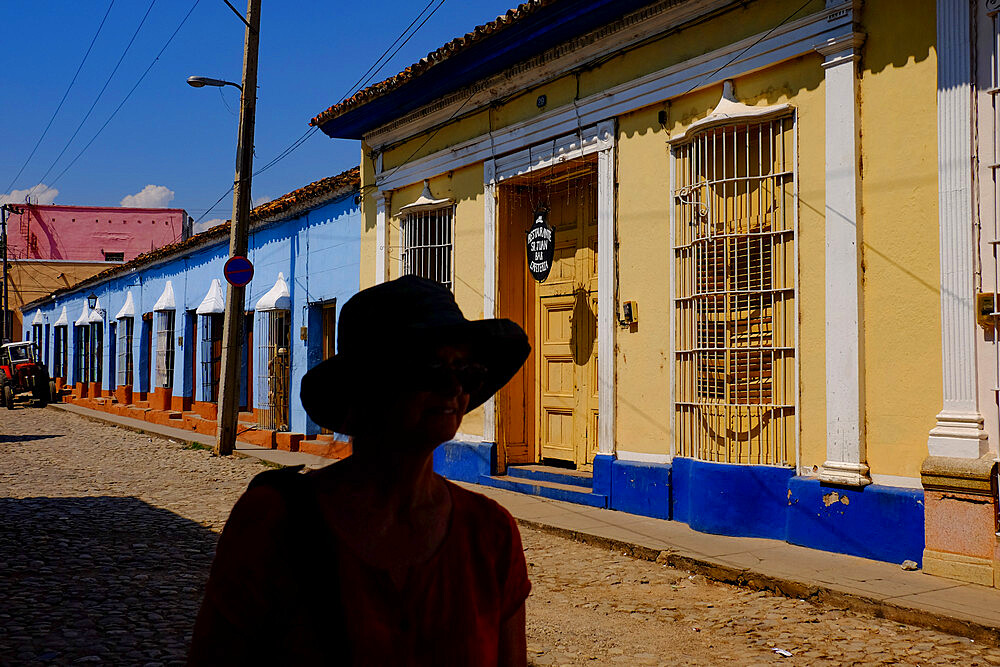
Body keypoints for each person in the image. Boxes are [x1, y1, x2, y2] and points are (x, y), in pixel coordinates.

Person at [188, 275, 532, 666]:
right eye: (431, 367)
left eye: (465, 371)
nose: (453, 387)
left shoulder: (490, 536)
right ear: (368, 386)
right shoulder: (272, 524)